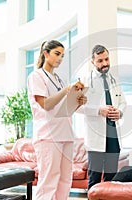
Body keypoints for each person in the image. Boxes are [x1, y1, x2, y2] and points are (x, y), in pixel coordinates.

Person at [27, 40, 87, 200]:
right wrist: (67, 90)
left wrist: (76, 102)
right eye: (57, 54)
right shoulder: (36, 76)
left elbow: (63, 110)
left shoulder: (59, 80)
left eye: (62, 55)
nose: (60, 58)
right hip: (48, 136)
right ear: (46, 54)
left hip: (66, 135)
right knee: (49, 182)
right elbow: (45, 104)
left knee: (65, 181)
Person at [77, 44, 127, 190]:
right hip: (95, 136)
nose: (104, 63)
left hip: (113, 135)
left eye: (106, 59)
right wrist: (99, 110)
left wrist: (120, 112)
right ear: (92, 62)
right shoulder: (84, 80)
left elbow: (123, 102)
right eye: (100, 61)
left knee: (112, 178)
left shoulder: (114, 79)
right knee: (94, 177)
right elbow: (77, 107)